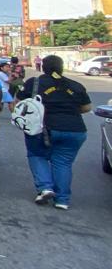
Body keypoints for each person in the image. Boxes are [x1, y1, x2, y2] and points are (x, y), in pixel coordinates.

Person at [16, 55, 91, 210]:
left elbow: (19, 103)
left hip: (43, 129)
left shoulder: (34, 83)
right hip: (75, 130)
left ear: (43, 67)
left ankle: (45, 188)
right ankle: (62, 200)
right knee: (62, 162)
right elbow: (86, 108)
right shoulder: (75, 85)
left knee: (37, 155)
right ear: (61, 67)